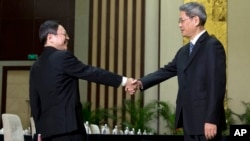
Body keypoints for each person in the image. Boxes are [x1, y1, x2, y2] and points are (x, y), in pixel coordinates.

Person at [126, 2, 226, 141]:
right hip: (189, 122)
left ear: (196, 20)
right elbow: (166, 71)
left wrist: (211, 119)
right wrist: (140, 83)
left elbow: (217, 86)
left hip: (206, 123)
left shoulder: (212, 46)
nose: (179, 25)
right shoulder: (184, 51)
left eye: (182, 20)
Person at [29, 20, 136, 141]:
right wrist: (124, 81)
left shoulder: (35, 66)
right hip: (69, 131)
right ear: (50, 37)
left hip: (47, 135)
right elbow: (91, 73)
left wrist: (39, 132)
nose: (68, 38)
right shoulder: (62, 57)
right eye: (64, 34)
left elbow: (35, 102)